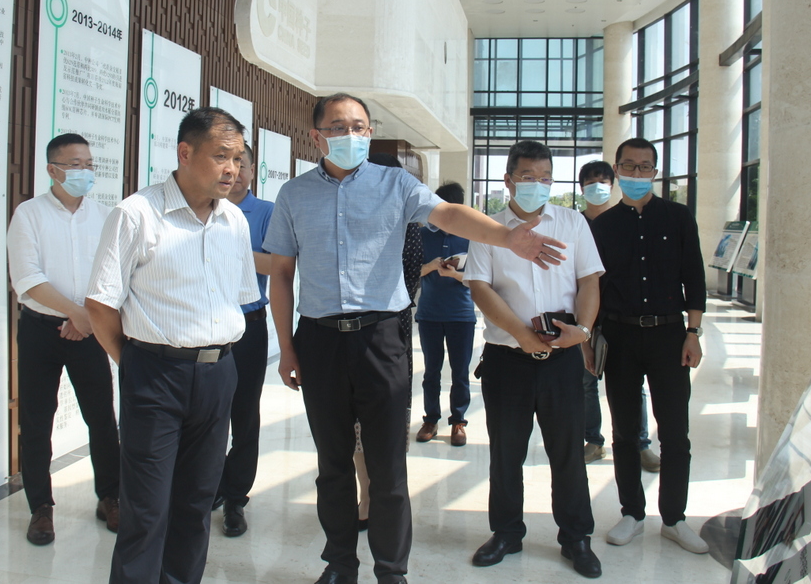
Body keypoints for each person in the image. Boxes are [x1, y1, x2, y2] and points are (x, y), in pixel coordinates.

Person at [264, 93, 567, 584]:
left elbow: (448, 215)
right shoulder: (293, 195)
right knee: (332, 464)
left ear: (369, 132)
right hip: (319, 340)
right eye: (338, 127)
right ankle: (339, 565)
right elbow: (281, 275)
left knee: (388, 466)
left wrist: (506, 236)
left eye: (359, 127)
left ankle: (391, 571)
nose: (351, 135)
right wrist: (286, 347)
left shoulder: (396, 183)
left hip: (381, 339)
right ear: (316, 136)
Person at [85, 108, 259, 584]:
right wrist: (133, 363)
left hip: (218, 373)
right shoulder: (137, 214)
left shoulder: (234, 221)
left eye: (238, 159)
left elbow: (240, 298)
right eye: (221, 156)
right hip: (155, 375)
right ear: (185, 152)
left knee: (196, 504)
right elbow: (100, 304)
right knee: (145, 510)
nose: (232, 169)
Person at [465, 140, 603, 579]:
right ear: (508, 180)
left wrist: (582, 331)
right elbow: (480, 287)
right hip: (507, 359)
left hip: (562, 357)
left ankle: (576, 537)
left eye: (546, 178)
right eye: (528, 177)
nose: (538, 185)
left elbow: (589, 280)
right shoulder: (489, 228)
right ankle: (506, 533)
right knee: (506, 453)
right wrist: (523, 336)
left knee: (568, 452)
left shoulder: (573, 222)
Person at [591, 137, 708, 554]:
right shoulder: (602, 225)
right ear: (617, 170)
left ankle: (674, 518)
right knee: (624, 432)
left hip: (669, 335)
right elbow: (593, 286)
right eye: (629, 166)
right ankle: (632, 513)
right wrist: (589, 339)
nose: (636, 173)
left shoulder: (678, 217)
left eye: (644, 167)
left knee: (675, 432)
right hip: (619, 336)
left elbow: (694, 275)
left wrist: (693, 332)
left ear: (655, 172)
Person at [6, 132, 121, 546]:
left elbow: (112, 275)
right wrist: (74, 311)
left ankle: (111, 496)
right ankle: (41, 507)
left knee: (101, 418)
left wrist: (85, 317)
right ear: (52, 170)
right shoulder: (29, 215)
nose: (84, 172)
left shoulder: (106, 216)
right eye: (75, 165)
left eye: (89, 164)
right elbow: (27, 278)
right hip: (41, 329)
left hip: (88, 330)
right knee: (37, 420)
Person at [352, 152, 424, 531]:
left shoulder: (407, 225)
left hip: (390, 331)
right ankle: (366, 495)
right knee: (355, 426)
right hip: (343, 335)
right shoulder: (346, 220)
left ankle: (383, 496)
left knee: (386, 420)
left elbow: (409, 281)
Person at [578, 161, 660, 473]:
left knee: (633, 385)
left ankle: (640, 443)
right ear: (582, 187)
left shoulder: (625, 221)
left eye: (603, 181)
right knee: (586, 382)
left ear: (612, 185)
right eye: (591, 181)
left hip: (621, 315)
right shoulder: (576, 224)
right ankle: (593, 440)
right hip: (585, 314)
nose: (597, 187)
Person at [213, 143, 274, 537]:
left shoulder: (265, 212)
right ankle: (211, 486)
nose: (235, 171)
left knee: (244, 413)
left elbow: (277, 264)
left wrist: (232, 249)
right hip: (207, 323)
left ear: (252, 171)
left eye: (242, 164)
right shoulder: (204, 207)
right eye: (227, 162)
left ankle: (236, 497)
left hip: (249, 324)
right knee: (208, 412)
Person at [415, 182, 476, 447]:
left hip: (461, 315)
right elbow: (409, 272)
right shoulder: (422, 235)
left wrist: (454, 274)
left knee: (460, 372)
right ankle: (430, 419)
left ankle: (458, 421)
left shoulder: (471, 237)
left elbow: (479, 278)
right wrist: (430, 267)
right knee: (431, 371)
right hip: (429, 313)